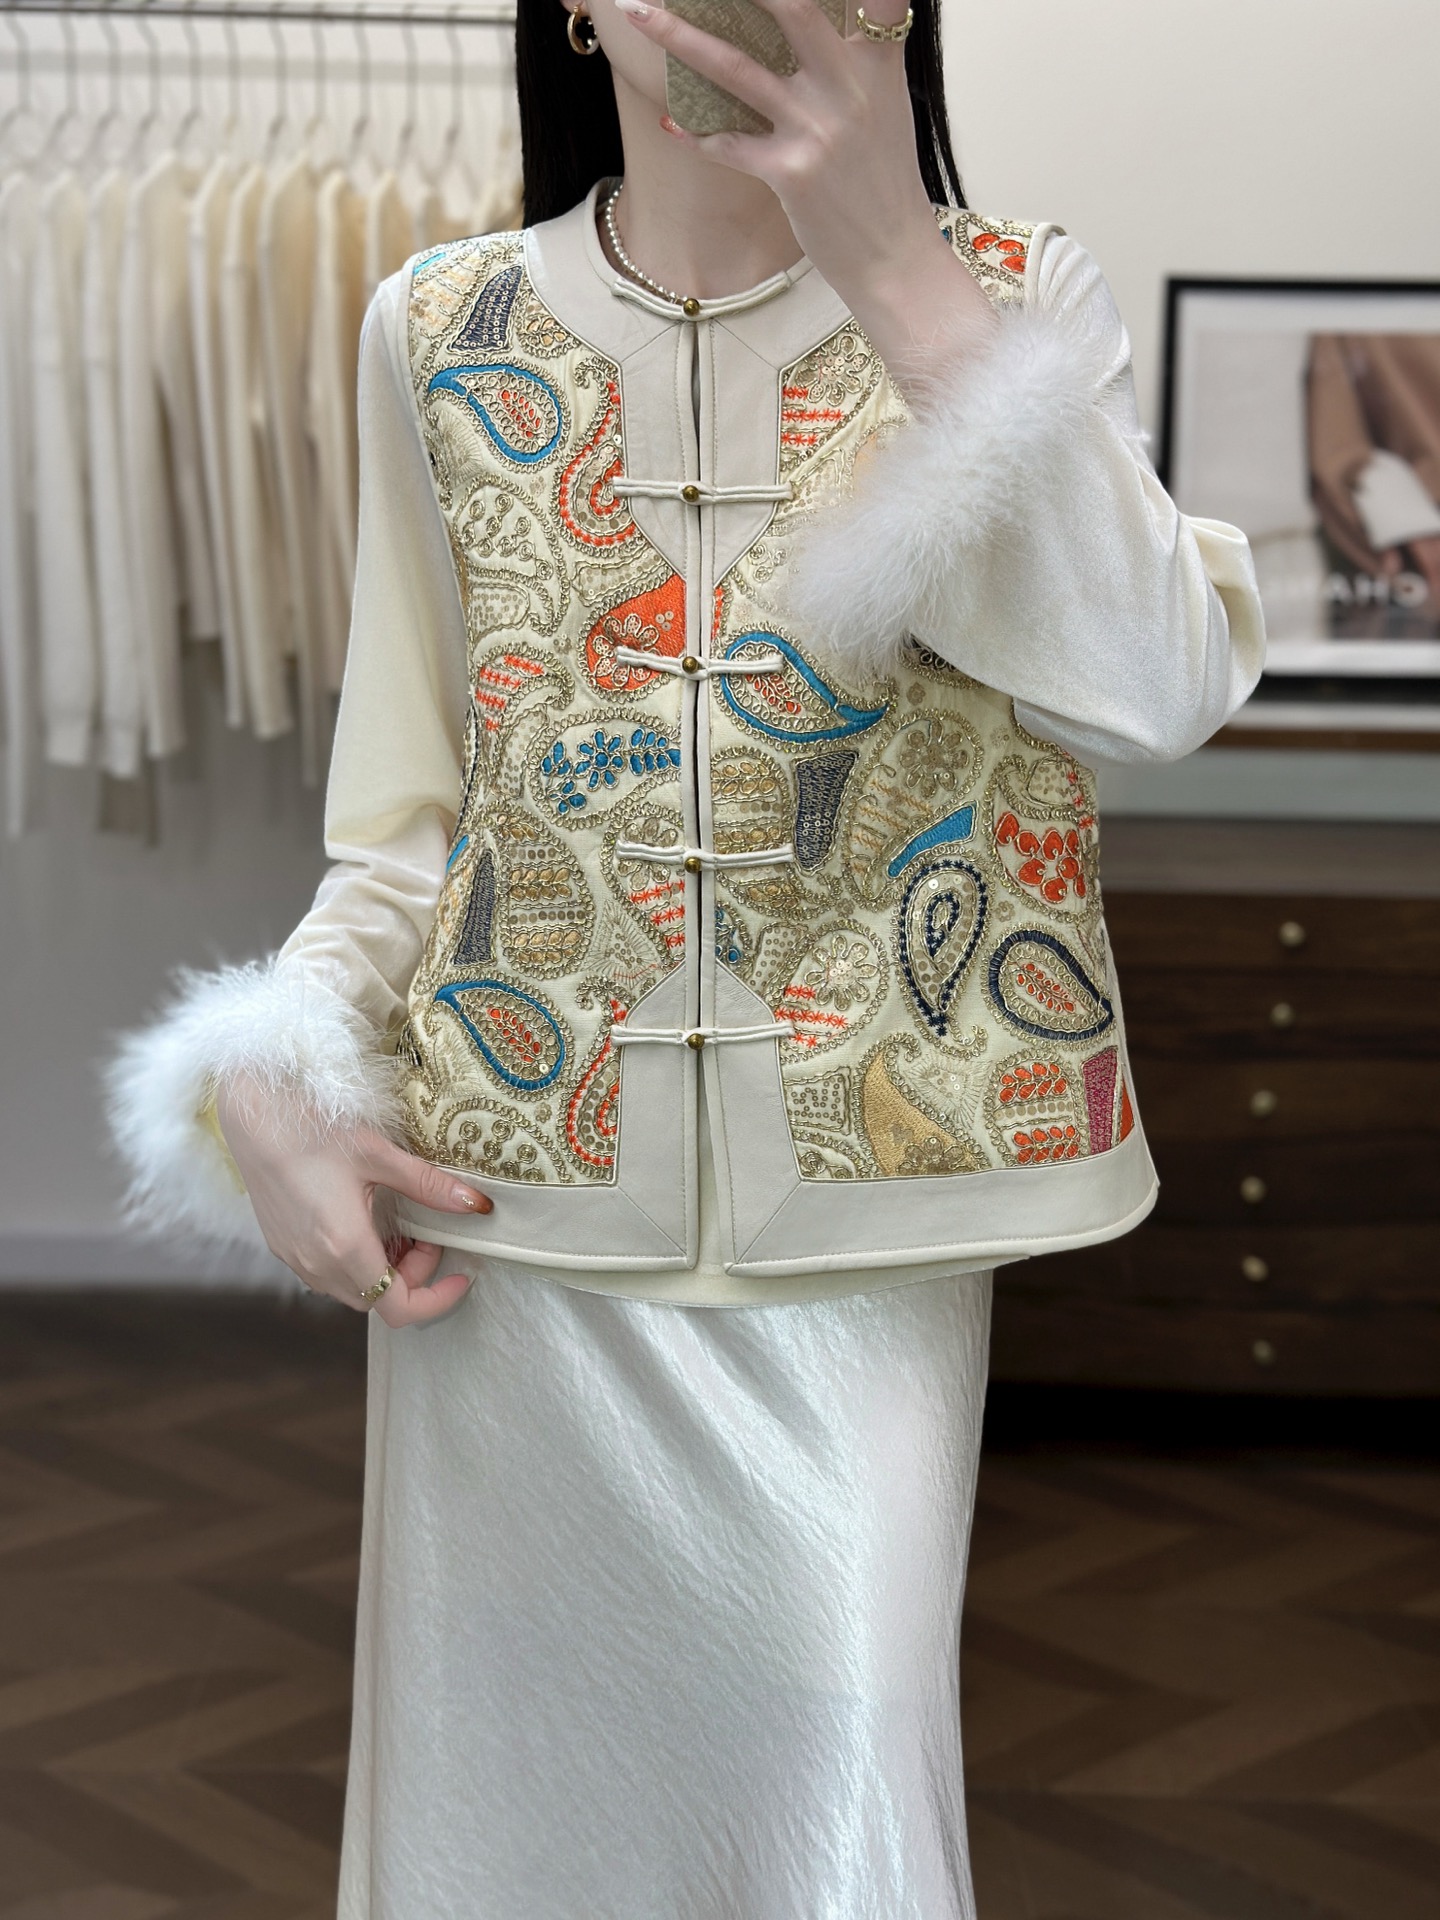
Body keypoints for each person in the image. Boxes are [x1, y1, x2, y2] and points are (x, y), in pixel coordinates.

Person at [106, 2, 1264, 1913]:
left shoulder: (1004, 295)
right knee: (495, 1838)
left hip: (864, 1246)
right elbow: (413, 818)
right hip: (510, 1234)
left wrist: (894, 263)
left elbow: (1155, 688)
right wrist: (269, 1064)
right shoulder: (437, 326)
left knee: (834, 1813)